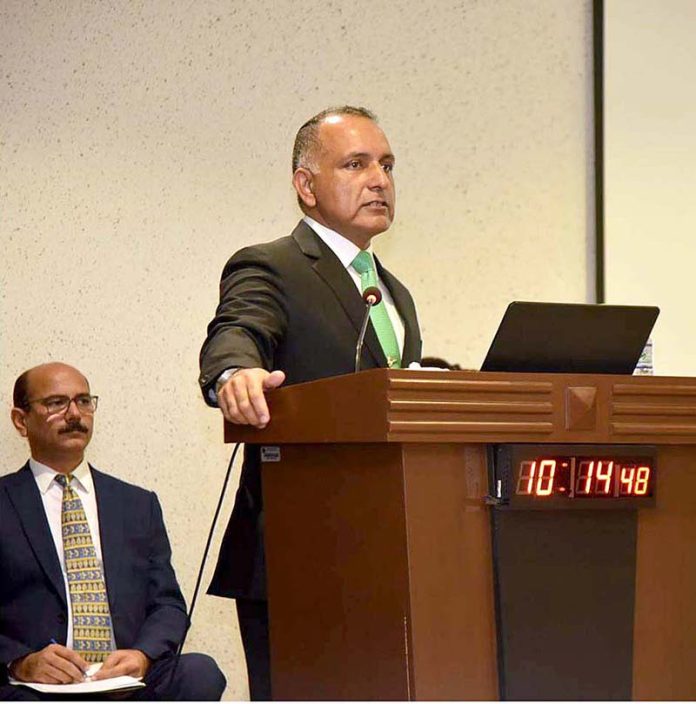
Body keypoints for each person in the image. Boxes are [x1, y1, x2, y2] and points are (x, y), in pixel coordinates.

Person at [199, 105, 422, 700]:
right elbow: (238, 328)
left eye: (387, 165)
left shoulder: (393, 292)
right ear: (306, 186)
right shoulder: (271, 264)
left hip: (386, 555)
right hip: (296, 553)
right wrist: (234, 372)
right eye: (356, 163)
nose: (380, 179)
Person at [0, 362, 226, 701]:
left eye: (84, 401)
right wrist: (19, 662)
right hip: (36, 688)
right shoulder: (6, 502)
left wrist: (143, 655)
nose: (74, 413)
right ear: (21, 420)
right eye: (56, 403)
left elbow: (167, 604)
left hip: (123, 681)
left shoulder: (137, 504)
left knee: (200, 672)